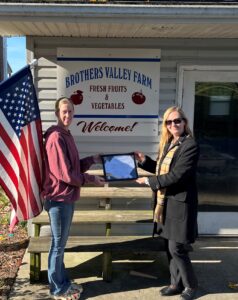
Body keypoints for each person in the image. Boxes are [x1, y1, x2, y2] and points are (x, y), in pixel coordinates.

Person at [42, 97, 105, 300]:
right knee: (58, 244)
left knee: (60, 244)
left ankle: (62, 281)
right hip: (58, 199)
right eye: (64, 112)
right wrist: (91, 179)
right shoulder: (55, 138)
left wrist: (91, 160)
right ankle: (57, 289)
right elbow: (65, 174)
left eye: (70, 111)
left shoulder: (66, 135)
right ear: (57, 113)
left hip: (66, 198)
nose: (68, 115)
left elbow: (72, 165)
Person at [135, 106, 199, 300]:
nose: (173, 125)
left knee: (177, 248)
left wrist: (149, 182)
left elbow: (177, 175)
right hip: (166, 204)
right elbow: (162, 169)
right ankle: (175, 283)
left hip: (181, 204)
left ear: (184, 122)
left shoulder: (190, 145)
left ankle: (191, 285)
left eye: (177, 121)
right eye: (169, 122)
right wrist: (145, 161)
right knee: (168, 247)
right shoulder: (170, 142)